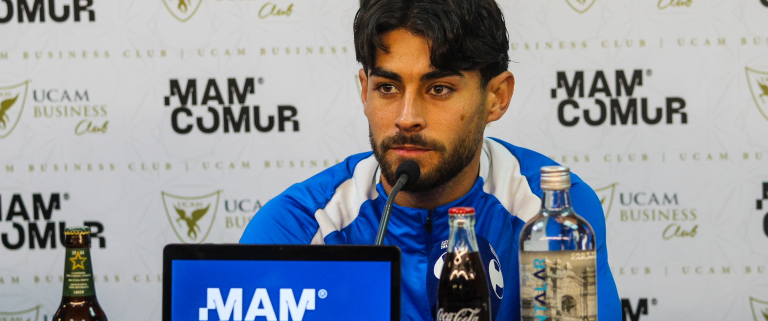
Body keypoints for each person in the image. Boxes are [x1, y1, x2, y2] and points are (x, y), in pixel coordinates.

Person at [240, 0, 622, 320]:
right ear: (364, 91)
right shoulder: (300, 227)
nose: (407, 118)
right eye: (387, 87)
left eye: (438, 89)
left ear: (497, 97)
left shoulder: (550, 213)